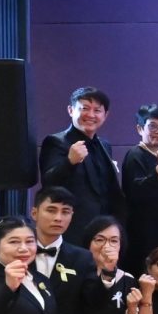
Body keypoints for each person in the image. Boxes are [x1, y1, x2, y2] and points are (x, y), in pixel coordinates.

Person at [39, 87, 125, 245]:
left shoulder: (104, 145)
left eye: (97, 110)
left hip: (103, 230)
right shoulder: (56, 142)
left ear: (105, 115)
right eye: (84, 108)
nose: (91, 115)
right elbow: (48, 182)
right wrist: (69, 162)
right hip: (74, 229)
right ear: (71, 110)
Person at [121, 104, 158, 273]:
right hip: (143, 234)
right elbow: (137, 193)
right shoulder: (135, 155)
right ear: (140, 129)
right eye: (152, 126)